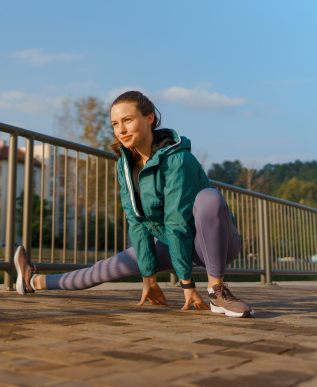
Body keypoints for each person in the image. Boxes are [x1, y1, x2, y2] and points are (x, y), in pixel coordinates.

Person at [14, 90, 254, 318]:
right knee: (104, 268)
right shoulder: (125, 164)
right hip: (174, 241)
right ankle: (33, 281)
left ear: (149, 118)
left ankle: (217, 291)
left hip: (215, 243)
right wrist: (149, 277)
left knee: (209, 198)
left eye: (127, 120)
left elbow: (177, 221)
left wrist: (187, 284)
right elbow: (136, 221)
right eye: (115, 124)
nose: (121, 130)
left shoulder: (179, 159)